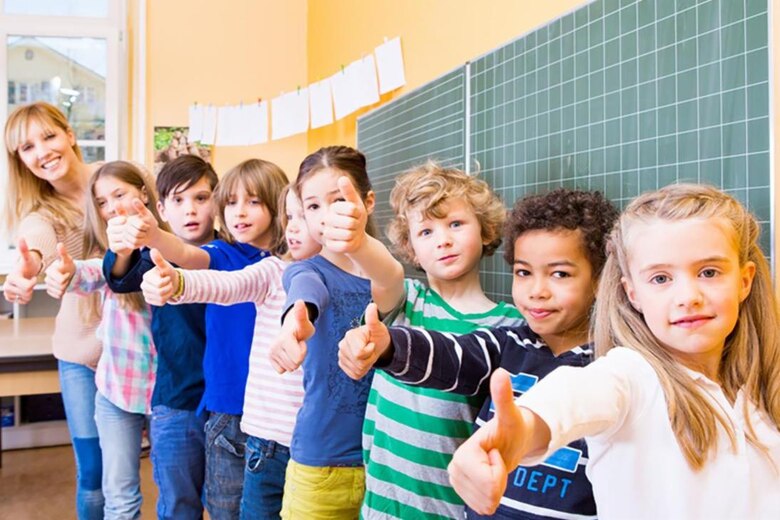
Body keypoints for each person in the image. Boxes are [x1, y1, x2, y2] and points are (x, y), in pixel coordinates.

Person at [448, 184, 780, 518]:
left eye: (709, 272)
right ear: (632, 293)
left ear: (744, 280)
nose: (688, 296)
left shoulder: (763, 391)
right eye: (661, 278)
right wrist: (520, 429)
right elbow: (573, 395)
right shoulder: (630, 376)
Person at [341, 188, 618, 518]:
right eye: (523, 273)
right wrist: (388, 345)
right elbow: (451, 355)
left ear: (601, 278)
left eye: (559, 274)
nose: (537, 291)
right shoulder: (508, 344)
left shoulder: (612, 367)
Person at [331, 161, 523, 519]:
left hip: (450, 509)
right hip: (382, 508)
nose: (444, 240)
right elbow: (386, 273)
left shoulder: (509, 326)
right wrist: (359, 245)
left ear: (484, 230)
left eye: (455, 224)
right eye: (426, 232)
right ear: (411, 250)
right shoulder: (407, 300)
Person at [108, 157, 288, 518]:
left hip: (272, 409)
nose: (240, 212)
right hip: (199, 402)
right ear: (161, 208)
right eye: (233, 202)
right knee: (188, 503)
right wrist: (153, 239)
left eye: (201, 198)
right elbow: (183, 258)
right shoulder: (218, 255)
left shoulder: (287, 259)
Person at [141, 185, 320, 518]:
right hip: (232, 412)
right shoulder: (243, 261)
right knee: (225, 506)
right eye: (231, 203)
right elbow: (212, 278)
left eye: (253, 202)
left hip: (300, 429)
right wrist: (175, 279)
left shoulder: (311, 273)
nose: (239, 212)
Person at [45, 161, 168, 519]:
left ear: (143, 193)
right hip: (118, 392)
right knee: (121, 497)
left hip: (167, 395)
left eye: (119, 194)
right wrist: (63, 272)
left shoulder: (171, 248)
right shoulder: (109, 258)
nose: (112, 206)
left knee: (175, 493)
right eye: (102, 202)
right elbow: (87, 273)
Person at [2, 101, 104, 519]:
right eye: (27, 147)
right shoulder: (40, 213)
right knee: (93, 475)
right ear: (20, 160)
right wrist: (27, 268)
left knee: (163, 465)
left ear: (70, 135)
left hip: (140, 345)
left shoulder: (114, 179)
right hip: (81, 351)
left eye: (48, 136)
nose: (42, 152)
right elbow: (35, 241)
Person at [101, 154, 218, 519]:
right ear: (162, 208)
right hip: (175, 400)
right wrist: (121, 249)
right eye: (179, 201)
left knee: (228, 504)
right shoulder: (153, 256)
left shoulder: (230, 253)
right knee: (178, 504)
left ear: (217, 200)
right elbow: (119, 277)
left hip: (228, 404)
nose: (191, 210)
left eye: (201, 198)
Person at [269, 146, 378, 519]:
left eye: (337, 200)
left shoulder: (392, 277)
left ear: (367, 201)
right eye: (312, 206)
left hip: (387, 462)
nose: (324, 215)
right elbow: (303, 297)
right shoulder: (307, 271)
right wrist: (292, 326)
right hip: (322, 463)